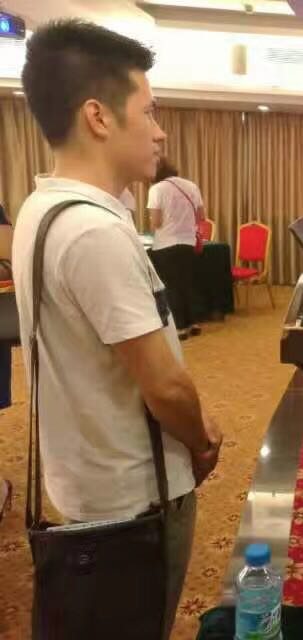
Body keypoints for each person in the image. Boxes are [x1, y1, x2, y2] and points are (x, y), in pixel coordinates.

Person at [13, 19, 222, 637]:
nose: (160, 131)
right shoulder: (96, 232)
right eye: (149, 111)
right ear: (99, 117)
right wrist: (202, 440)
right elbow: (165, 386)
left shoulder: (39, 209)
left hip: (86, 478)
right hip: (133, 504)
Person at [147, 159, 204, 340]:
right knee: (188, 283)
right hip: (188, 242)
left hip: (166, 243)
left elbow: (156, 222)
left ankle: (180, 327)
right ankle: (193, 322)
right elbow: (201, 216)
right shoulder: (191, 186)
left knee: (172, 286)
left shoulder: (156, 189)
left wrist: (152, 220)